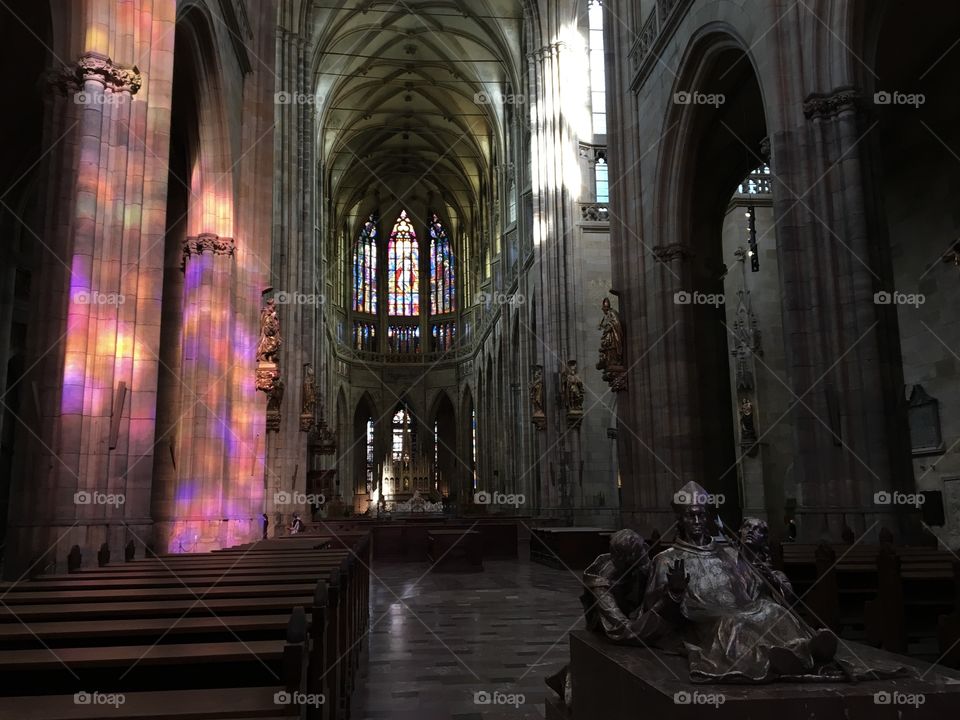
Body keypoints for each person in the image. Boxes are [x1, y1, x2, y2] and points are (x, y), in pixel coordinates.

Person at [644, 481, 908, 682]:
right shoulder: (666, 559)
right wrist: (675, 593)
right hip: (703, 618)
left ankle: (805, 651)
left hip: (742, 606)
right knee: (732, 623)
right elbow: (656, 615)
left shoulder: (727, 552)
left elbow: (750, 589)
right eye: (691, 516)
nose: (698, 521)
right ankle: (773, 660)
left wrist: (770, 581)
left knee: (773, 611)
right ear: (680, 519)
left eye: (702, 515)